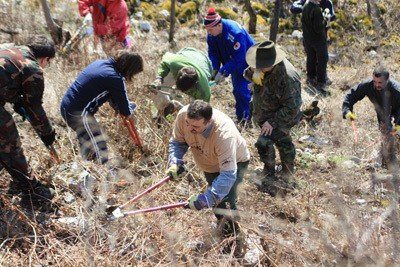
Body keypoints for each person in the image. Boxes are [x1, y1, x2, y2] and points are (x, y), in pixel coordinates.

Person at [167, 100, 250, 239]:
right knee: (218, 203)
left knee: (225, 201)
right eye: (188, 123)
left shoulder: (224, 135)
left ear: (208, 121)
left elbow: (228, 175)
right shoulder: (183, 116)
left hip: (236, 163)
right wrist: (175, 161)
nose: (189, 128)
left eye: (195, 126)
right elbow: (178, 142)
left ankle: (233, 236)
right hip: (209, 163)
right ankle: (224, 226)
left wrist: (206, 199)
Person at [0, 35, 56, 205]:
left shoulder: (8, 48)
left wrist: (17, 99)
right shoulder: (32, 68)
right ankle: (33, 191)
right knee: (10, 146)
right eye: (48, 62)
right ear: (45, 58)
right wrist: (48, 134)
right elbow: (34, 108)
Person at [60, 51, 143, 165]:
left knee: (89, 143)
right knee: (98, 144)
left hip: (67, 105)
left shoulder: (101, 63)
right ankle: (100, 173)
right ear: (129, 70)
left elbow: (109, 94)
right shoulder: (115, 78)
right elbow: (125, 110)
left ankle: (89, 170)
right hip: (78, 113)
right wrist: (130, 110)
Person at [244, 40, 302, 196]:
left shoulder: (288, 78)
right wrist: (253, 72)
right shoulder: (262, 68)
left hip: (283, 117)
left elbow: (293, 107)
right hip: (265, 114)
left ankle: (287, 174)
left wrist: (273, 122)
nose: (259, 68)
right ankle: (270, 170)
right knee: (274, 142)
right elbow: (247, 74)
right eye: (258, 65)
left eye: (262, 66)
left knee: (275, 142)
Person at [342, 66, 400, 169]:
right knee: (386, 134)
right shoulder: (368, 85)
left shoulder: (397, 90)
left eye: (380, 82)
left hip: (398, 109)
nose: (377, 85)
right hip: (382, 111)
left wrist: (399, 125)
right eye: (375, 81)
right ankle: (386, 161)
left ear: (387, 80)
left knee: (398, 135)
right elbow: (351, 95)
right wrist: (347, 111)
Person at [204, 7, 255, 123]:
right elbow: (213, 52)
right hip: (232, 62)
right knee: (239, 91)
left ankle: (245, 121)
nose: (208, 33)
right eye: (207, 30)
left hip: (247, 62)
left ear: (219, 25)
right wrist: (215, 69)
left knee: (241, 90)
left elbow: (239, 58)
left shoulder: (236, 33)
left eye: (210, 30)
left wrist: (224, 72)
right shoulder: (212, 34)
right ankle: (242, 116)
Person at [150, 47, 212, 119]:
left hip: (204, 62)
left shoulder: (203, 90)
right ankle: (164, 109)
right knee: (156, 91)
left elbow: (203, 110)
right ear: (178, 73)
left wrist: (183, 110)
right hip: (187, 54)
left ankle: (178, 107)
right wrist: (159, 79)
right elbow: (165, 62)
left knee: (196, 111)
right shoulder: (174, 63)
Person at [301, 0, 331, 95]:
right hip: (318, 40)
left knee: (311, 58)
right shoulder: (316, 9)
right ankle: (321, 82)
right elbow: (319, 28)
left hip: (307, 38)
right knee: (323, 59)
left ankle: (311, 78)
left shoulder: (306, 5)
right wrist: (326, 19)